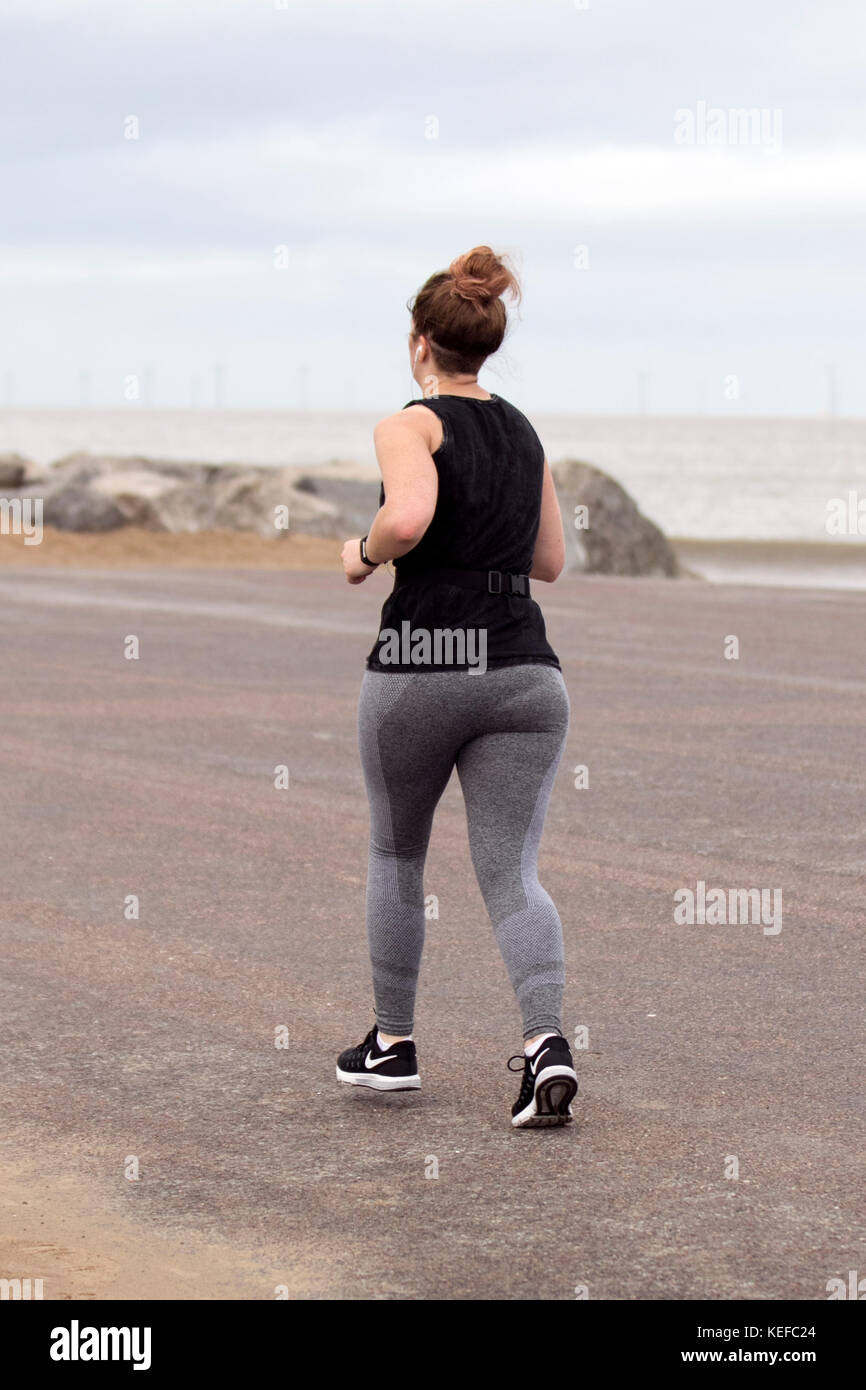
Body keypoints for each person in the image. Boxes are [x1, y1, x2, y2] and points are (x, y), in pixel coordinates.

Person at [336, 246, 577, 1128]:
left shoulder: (412, 422)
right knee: (513, 872)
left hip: (423, 666)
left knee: (398, 855)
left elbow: (405, 516)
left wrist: (362, 556)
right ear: (486, 346)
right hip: (526, 674)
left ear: (420, 345)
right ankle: (547, 1045)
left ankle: (393, 1047)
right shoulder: (525, 433)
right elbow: (549, 562)